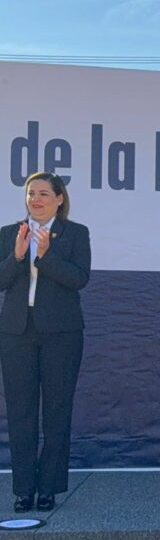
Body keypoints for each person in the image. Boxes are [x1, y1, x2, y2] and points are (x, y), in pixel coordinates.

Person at [0, 172, 90, 513]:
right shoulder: (11, 233)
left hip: (62, 335)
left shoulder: (75, 233)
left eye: (42, 193)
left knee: (56, 411)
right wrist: (19, 256)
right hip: (15, 333)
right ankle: (23, 489)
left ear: (59, 198)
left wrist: (47, 256)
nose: (35, 199)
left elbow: (79, 279)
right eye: (30, 193)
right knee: (20, 413)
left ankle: (49, 487)